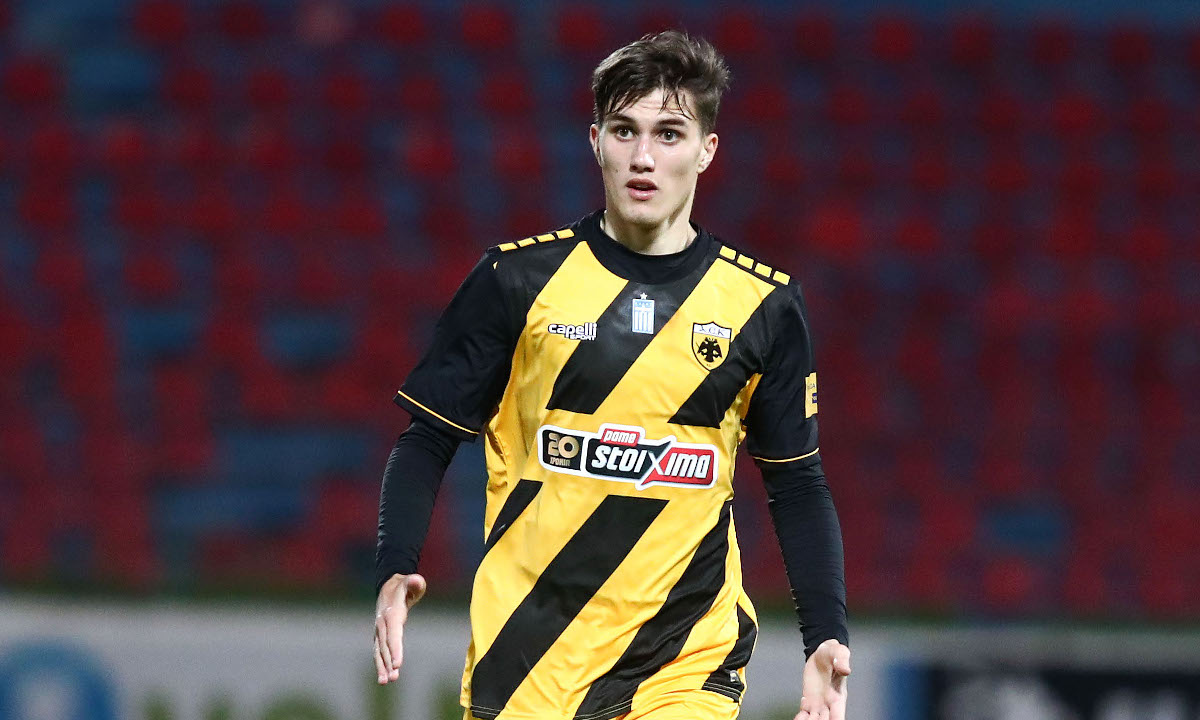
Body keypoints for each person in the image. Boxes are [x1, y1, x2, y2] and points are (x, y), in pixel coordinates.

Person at [373, 30, 850, 720]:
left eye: (669, 134)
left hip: (685, 662)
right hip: (528, 664)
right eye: (625, 131)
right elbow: (428, 438)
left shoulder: (763, 306)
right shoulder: (516, 280)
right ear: (596, 141)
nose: (644, 157)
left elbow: (797, 483)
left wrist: (825, 634)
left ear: (707, 150)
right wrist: (395, 565)